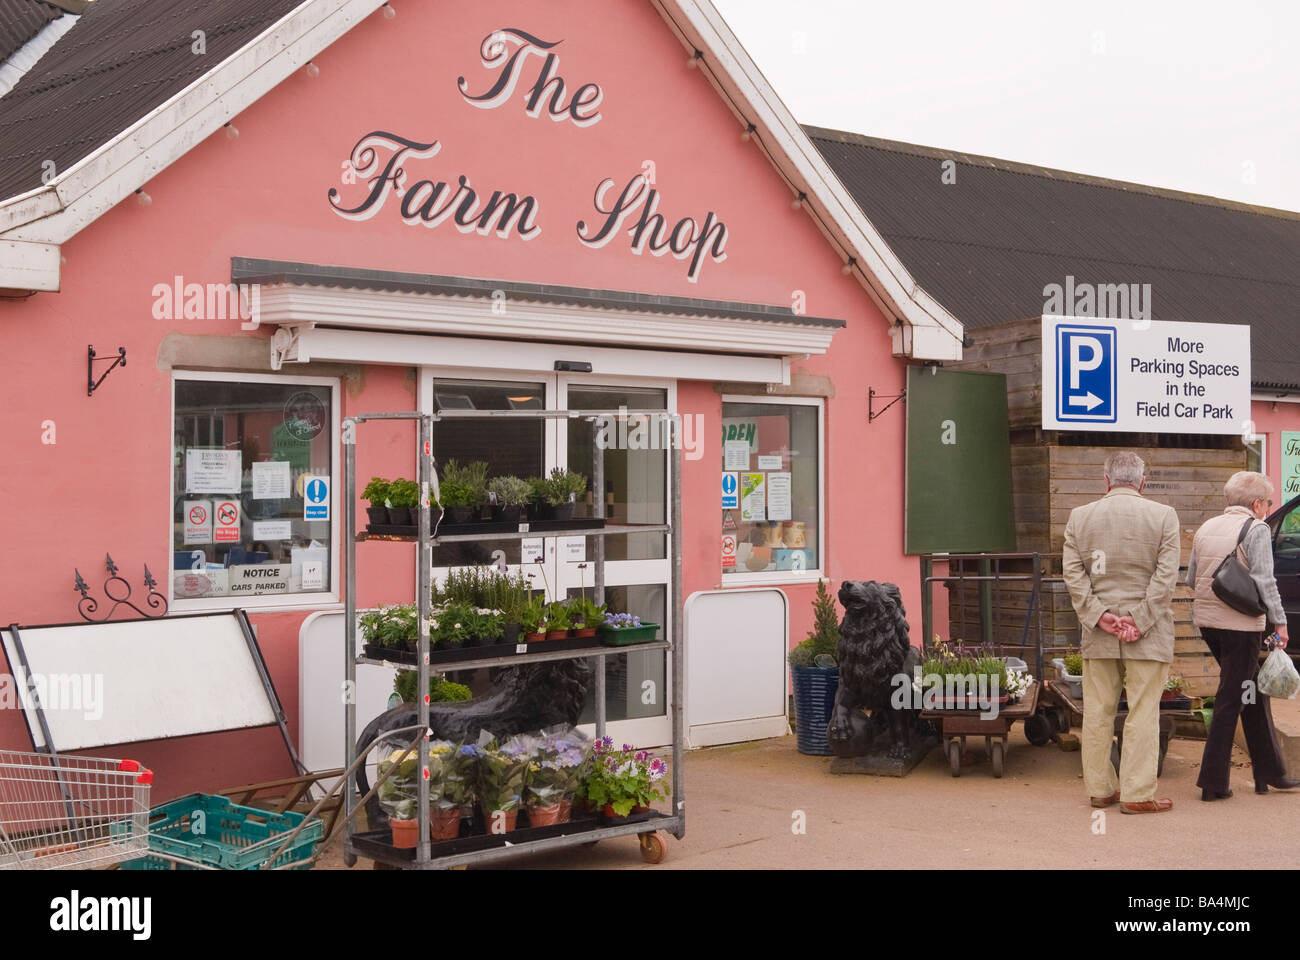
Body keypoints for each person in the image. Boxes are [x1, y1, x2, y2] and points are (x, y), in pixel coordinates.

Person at [1062, 451, 1180, 814]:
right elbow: (1165, 578)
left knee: (1097, 711)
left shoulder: (1080, 518)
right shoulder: (1163, 516)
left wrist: (1100, 616)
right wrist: (1138, 619)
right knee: (1143, 711)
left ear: (1106, 480)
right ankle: (1137, 794)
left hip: (1100, 633)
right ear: (1142, 482)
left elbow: (1074, 574)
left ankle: (1101, 789)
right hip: (1149, 633)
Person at [1188, 471, 1299, 800]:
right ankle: (1213, 783)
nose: (1268, 507)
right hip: (1241, 626)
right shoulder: (1257, 528)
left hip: (1209, 623)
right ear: (1256, 503)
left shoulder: (1208, 527)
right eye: (1268, 501)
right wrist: (1280, 623)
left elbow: (1194, 577)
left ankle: (1269, 772)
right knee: (1231, 700)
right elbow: (1266, 581)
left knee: (1251, 693)